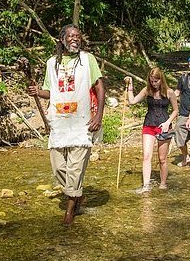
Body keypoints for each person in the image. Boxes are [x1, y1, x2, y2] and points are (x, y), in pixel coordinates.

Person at [27, 24, 105, 225]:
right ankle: (78, 195)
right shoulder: (52, 63)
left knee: (75, 169)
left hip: (81, 123)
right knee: (58, 167)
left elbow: (99, 87)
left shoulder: (88, 60)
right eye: (70, 36)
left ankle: (70, 211)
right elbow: (50, 92)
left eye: (77, 36)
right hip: (60, 123)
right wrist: (37, 91)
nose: (74, 39)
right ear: (62, 39)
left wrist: (99, 116)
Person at [124, 68, 178, 193]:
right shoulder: (146, 90)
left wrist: (168, 122)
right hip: (149, 125)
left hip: (164, 126)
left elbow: (175, 110)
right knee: (146, 156)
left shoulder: (169, 92)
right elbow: (132, 101)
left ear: (161, 79)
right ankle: (146, 185)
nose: (154, 84)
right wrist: (130, 86)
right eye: (152, 81)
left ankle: (163, 182)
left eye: (156, 81)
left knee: (162, 158)